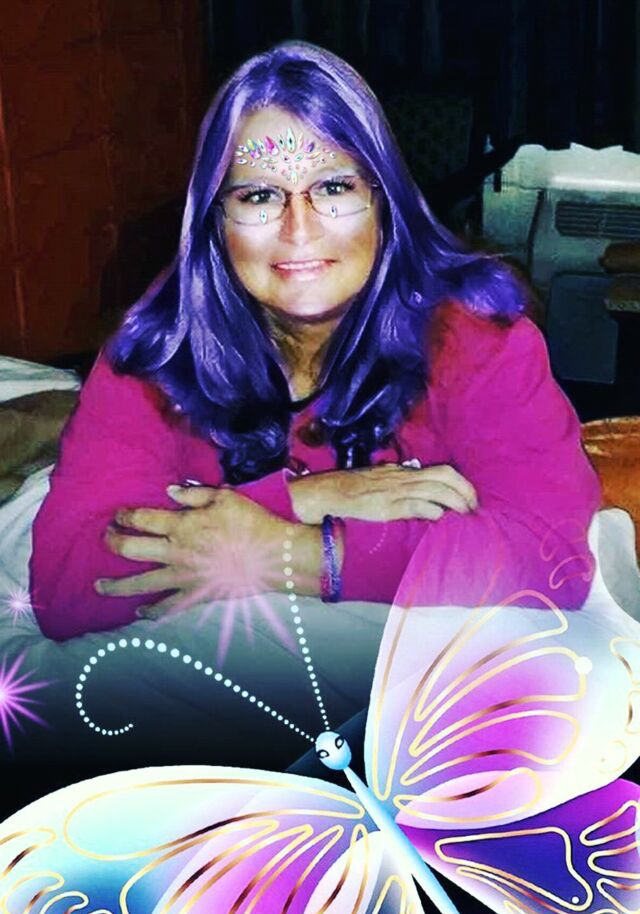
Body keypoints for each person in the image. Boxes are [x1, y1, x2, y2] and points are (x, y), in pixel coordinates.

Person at [29, 41, 601, 643]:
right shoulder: (158, 354)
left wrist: (291, 552)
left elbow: (550, 558)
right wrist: (305, 498)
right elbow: (67, 588)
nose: (298, 230)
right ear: (215, 222)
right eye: (258, 196)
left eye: (332, 188)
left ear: (384, 203)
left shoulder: (475, 341)